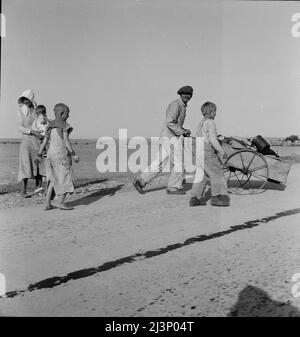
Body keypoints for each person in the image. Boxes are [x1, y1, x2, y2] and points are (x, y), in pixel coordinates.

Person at [133, 86, 193, 195]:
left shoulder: (182, 105)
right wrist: (182, 131)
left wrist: (183, 130)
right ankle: (173, 187)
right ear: (180, 94)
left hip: (168, 136)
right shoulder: (176, 105)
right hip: (170, 137)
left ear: (191, 96)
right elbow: (170, 122)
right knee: (178, 161)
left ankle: (140, 181)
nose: (187, 95)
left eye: (189, 94)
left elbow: (175, 123)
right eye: (184, 93)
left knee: (160, 161)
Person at [36, 103, 79, 210]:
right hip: (61, 155)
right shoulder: (64, 125)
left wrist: (39, 154)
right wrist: (73, 154)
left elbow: (44, 141)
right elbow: (66, 141)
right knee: (65, 178)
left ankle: (47, 203)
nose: (68, 116)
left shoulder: (50, 125)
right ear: (61, 113)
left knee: (52, 179)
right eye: (67, 113)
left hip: (50, 155)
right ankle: (60, 201)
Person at [189, 101, 230, 207]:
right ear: (211, 112)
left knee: (202, 175)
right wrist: (221, 151)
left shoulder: (201, 123)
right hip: (207, 151)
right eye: (215, 112)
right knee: (218, 172)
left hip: (197, 150)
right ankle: (217, 197)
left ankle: (195, 197)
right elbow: (212, 139)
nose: (215, 114)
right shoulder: (211, 123)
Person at [17, 89, 44, 197]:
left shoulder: (37, 108)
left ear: (31, 99)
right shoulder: (21, 110)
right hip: (27, 141)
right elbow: (20, 127)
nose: (25, 102)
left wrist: (42, 133)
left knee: (39, 164)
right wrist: (33, 132)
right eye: (24, 100)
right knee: (25, 163)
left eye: (27, 100)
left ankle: (39, 189)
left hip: (37, 141)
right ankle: (23, 190)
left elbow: (41, 121)